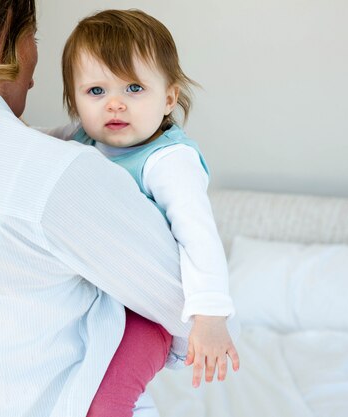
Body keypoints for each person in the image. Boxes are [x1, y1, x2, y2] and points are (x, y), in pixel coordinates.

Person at [0, 1, 192, 416]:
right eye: (32, 38)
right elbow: (192, 310)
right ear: (5, 36)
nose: (36, 71)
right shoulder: (58, 175)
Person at [46, 9, 240, 416]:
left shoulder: (168, 161)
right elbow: (34, 147)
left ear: (168, 98)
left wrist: (210, 315)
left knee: (108, 401)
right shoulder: (83, 137)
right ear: (74, 100)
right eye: (95, 91)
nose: (114, 103)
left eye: (134, 88)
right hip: (101, 298)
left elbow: (199, 236)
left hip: (146, 316)